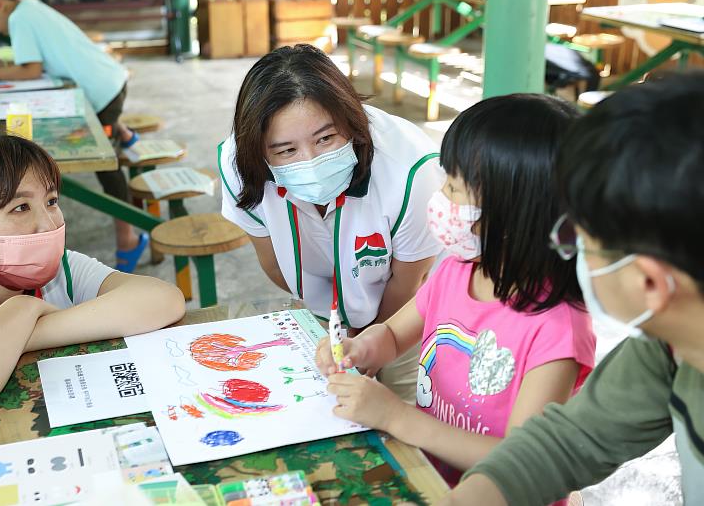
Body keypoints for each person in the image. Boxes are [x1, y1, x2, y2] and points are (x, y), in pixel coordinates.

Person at [441, 73, 704, 505]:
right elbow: (567, 442)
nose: (568, 252)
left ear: (650, 283)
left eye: (579, 240)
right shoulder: (668, 349)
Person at [317, 94, 596, 489]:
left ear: (513, 213)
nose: (439, 199)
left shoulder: (558, 330)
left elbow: (523, 461)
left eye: (454, 188)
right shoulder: (456, 271)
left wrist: (396, 417)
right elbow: (395, 335)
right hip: (432, 479)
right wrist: (357, 349)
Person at [0, 134, 184, 459]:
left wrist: (25, 333)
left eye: (51, 201)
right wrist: (23, 309)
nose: (49, 224)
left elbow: (162, 300)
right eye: (20, 208)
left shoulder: (61, 271)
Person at [219, 44, 443, 402]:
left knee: (404, 406)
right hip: (320, 313)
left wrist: (369, 342)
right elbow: (275, 262)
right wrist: (331, 327)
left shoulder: (411, 170)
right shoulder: (239, 165)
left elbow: (407, 280)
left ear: (352, 123)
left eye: (325, 138)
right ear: (259, 151)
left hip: (405, 311)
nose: (309, 161)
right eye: (286, 151)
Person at [0, 0, 147, 272]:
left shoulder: (19, 19)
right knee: (107, 129)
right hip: (106, 81)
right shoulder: (29, 8)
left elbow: (32, 71)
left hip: (103, 94)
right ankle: (125, 134)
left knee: (106, 164)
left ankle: (128, 239)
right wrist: (6, 69)